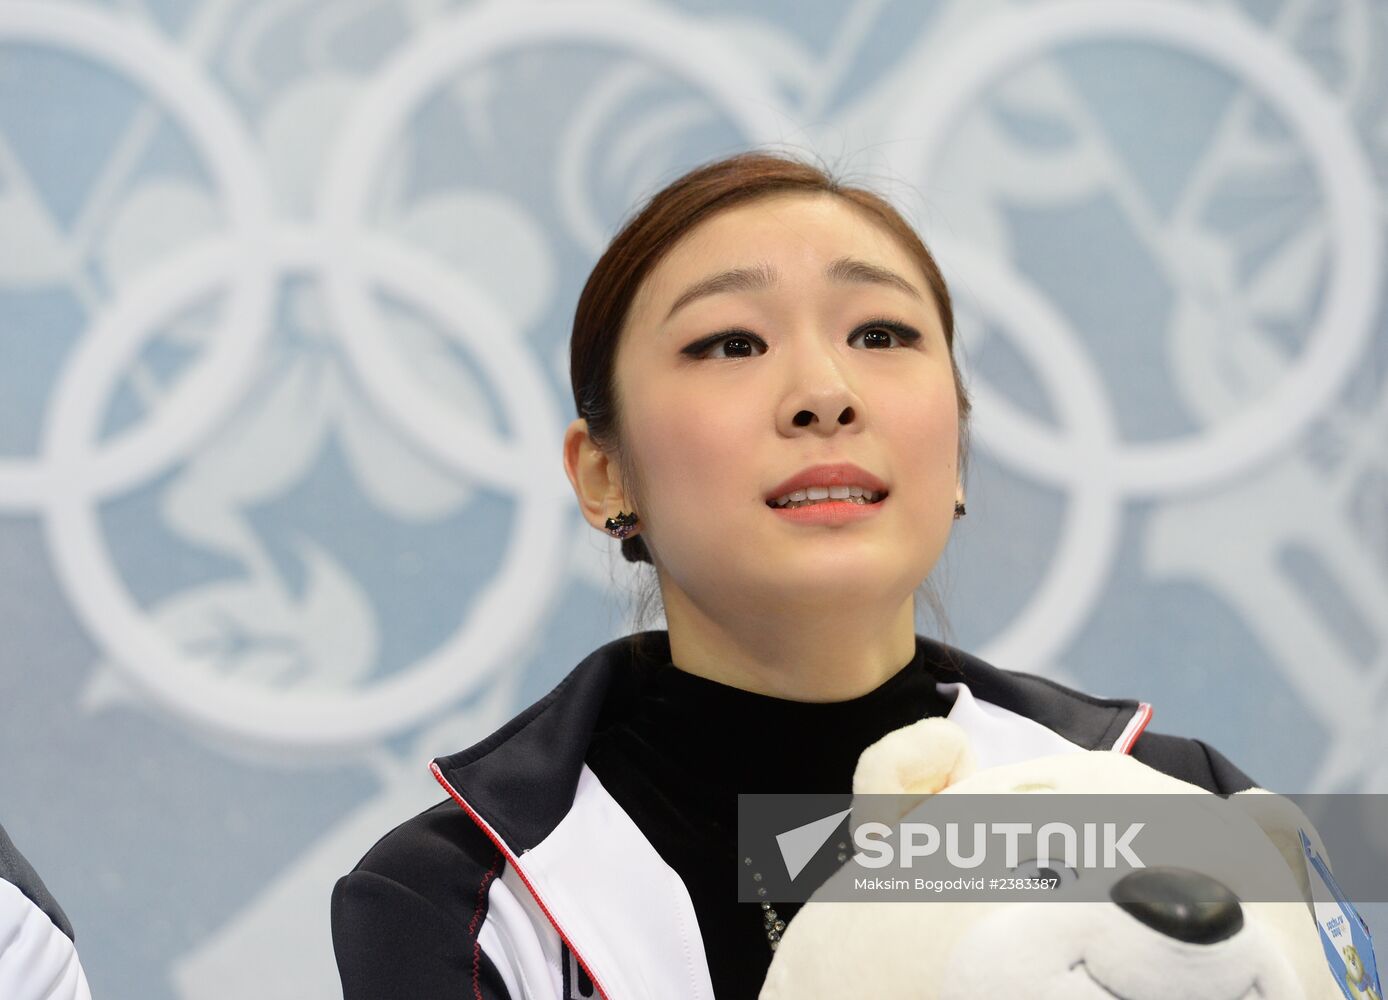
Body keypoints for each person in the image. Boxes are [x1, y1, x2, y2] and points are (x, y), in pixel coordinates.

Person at [331, 150, 1256, 1000]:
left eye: (883, 334)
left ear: (959, 449)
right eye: (732, 343)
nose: (825, 392)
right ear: (604, 474)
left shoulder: (1179, 805)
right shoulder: (459, 900)